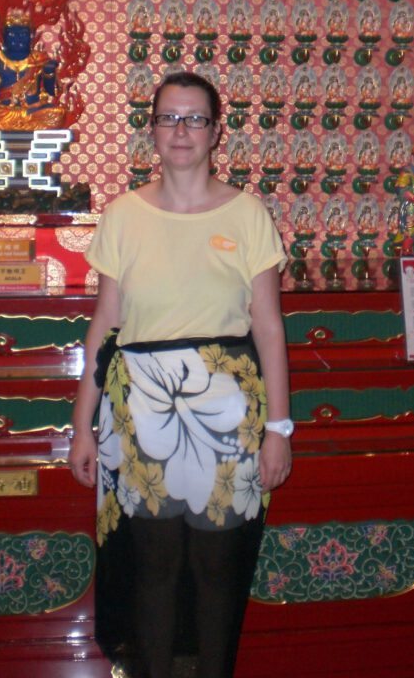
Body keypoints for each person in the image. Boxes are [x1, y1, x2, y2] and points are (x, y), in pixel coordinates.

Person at [69, 71, 291, 678]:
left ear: (217, 132)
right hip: (139, 415)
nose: (182, 130)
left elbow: (269, 328)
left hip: (228, 415)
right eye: (169, 118)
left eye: (195, 118)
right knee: (153, 569)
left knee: (219, 572)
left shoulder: (248, 215)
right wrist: (82, 425)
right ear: (153, 131)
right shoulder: (123, 215)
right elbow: (106, 324)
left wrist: (280, 428)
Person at [0, 9, 63, 130]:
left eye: (23, 35)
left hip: (32, 110)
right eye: (12, 35)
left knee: (56, 112)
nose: (17, 39)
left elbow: (53, 91)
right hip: (3, 110)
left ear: (31, 36)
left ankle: (14, 126)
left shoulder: (39, 58)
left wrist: (49, 73)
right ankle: (21, 126)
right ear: (4, 37)